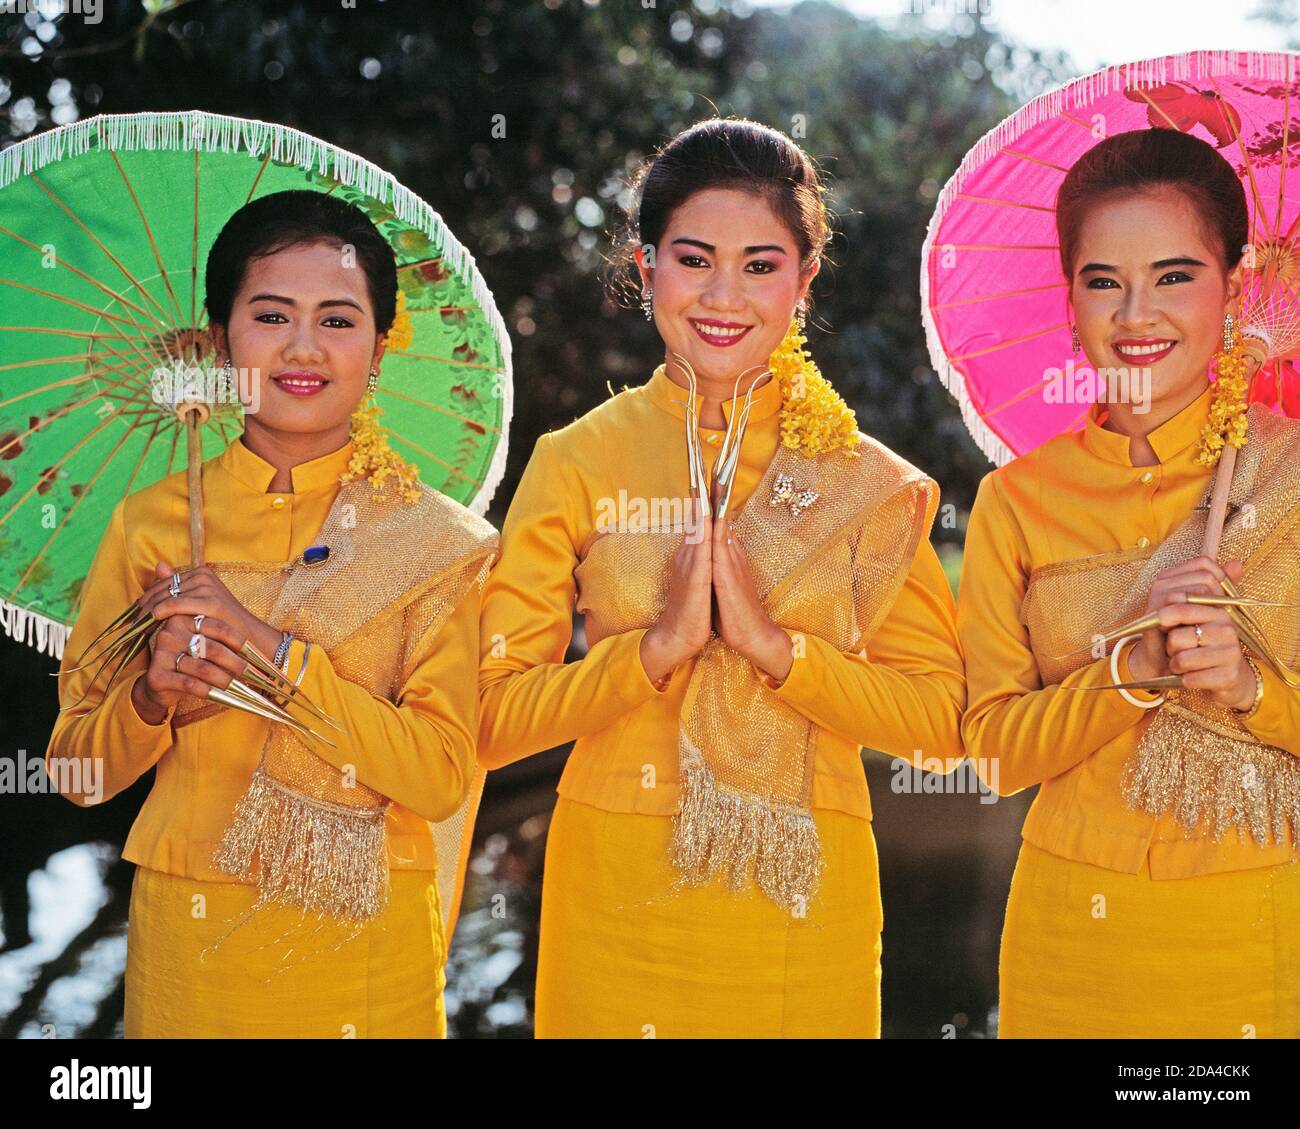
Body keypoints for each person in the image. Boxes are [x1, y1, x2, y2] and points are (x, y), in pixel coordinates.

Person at [478, 118, 965, 1038]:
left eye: (761, 264)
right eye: (693, 258)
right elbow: (494, 720)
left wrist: (778, 650)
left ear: (804, 281)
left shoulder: (872, 483)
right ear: (646, 264)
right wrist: (651, 651)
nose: (723, 295)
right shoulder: (577, 461)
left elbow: (941, 726)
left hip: (801, 900)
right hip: (617, 892)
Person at [46, 191, 498, 1037]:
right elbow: (76, 773)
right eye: (270, 315)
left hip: (367, 949)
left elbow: (439, 775)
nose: (302, 347)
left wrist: (271, 652)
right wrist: (151, 700)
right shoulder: (153, 524)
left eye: (337, 318)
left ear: (379, 345)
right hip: (192, 944)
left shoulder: (439, 541)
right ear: (221, 343)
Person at [958, 129, 1300, 1037]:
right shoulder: (1017, 501)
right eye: (1103, 280)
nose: (1136, 314)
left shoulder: (1293, 472)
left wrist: (1251, 688)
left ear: (1235, 281)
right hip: (1073, 942)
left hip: (1262, 929)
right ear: (1068, 299)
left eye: (1176, 276)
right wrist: (1128, 670)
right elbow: (992, 751)